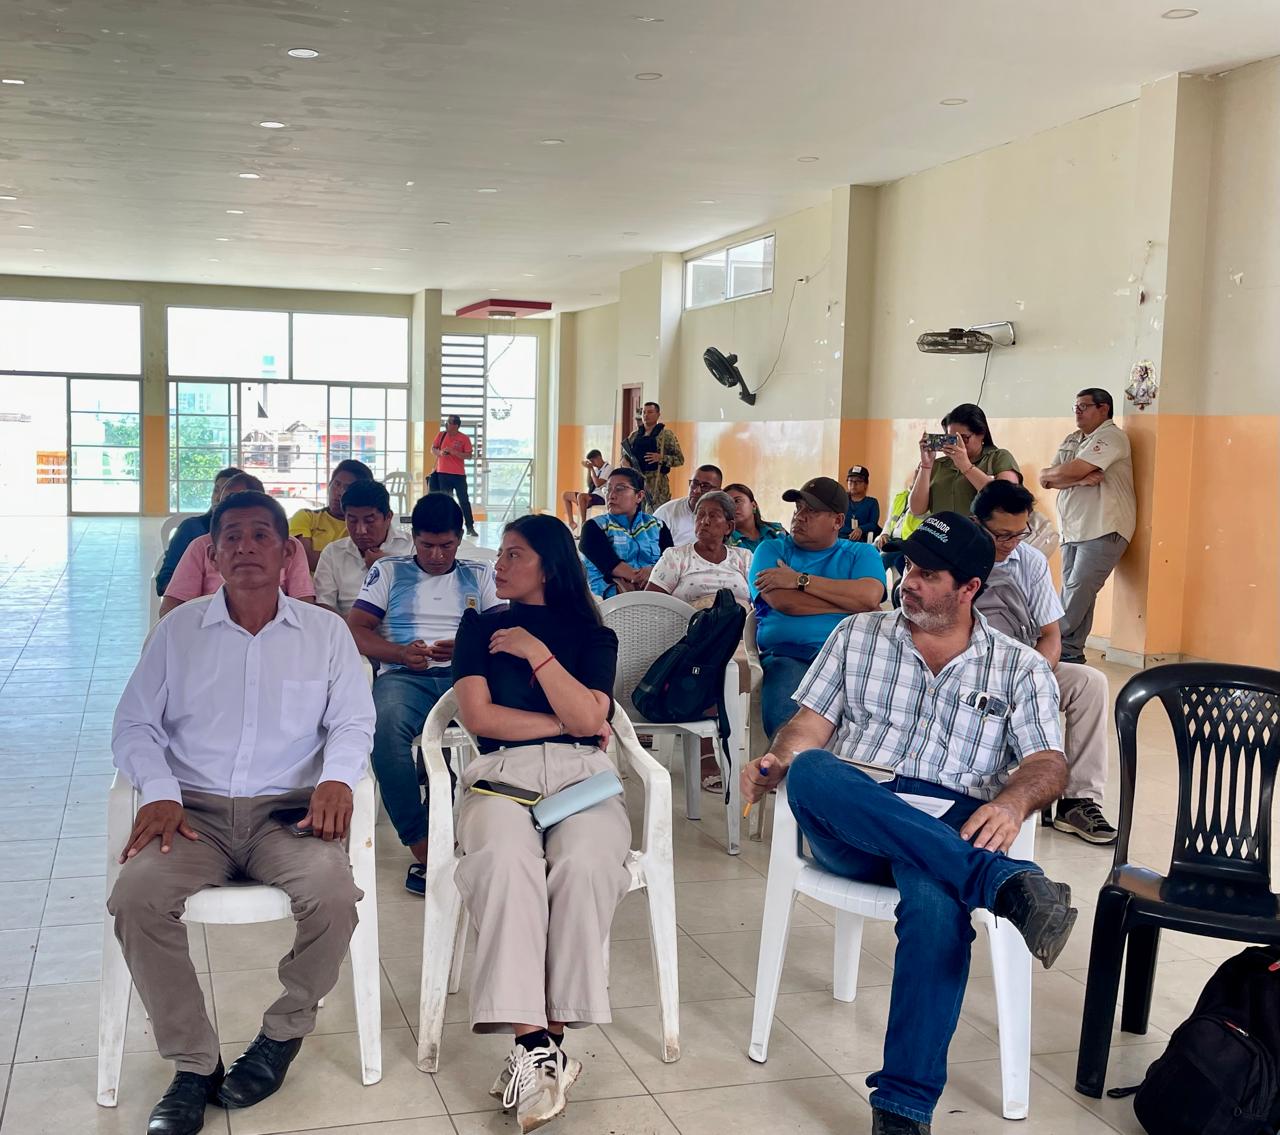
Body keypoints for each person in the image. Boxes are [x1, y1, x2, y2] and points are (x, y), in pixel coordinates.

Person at [740, 511, 1077, 1135]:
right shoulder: (857, 634)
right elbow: (808, 727)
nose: (908, 582)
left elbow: (1047, 764)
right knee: (812, 770)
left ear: (969, 587)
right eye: (908, 567)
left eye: (927, 574)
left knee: (935, 907)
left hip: (951, 820)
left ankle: (902, 1109)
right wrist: (777, 759)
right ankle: (1000, 883)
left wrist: (1010, 804)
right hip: (855, 812)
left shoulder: (1019, 666)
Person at [110, 489, 375, 1135]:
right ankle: (193, 1063)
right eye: (232, 536)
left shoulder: (325, 634)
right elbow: (134, 722)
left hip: (287, 813)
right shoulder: (178, 632)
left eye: (262, 536)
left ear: (288, 554)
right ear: (212, 552)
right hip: (191, 812)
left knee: (333, 893)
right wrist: (160, 789)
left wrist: (337, 779)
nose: (246, 547)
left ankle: (283, 1032)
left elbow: (353, 720)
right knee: (137, 897)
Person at [451, 514, 628, 1133]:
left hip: (583, 777)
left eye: (514, 554)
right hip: (501, 772)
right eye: (500, 553)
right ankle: (535, 1046)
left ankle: (547, 1045)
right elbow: (481, 718)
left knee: (585, 862)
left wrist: (537, 653)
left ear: (549, 566)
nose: (499, 565)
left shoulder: (594, 634)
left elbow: (592, 717)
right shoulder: (479, 627)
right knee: (505, 862)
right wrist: (565, 724)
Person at [347, 493, 499, 893]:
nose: (436, 555)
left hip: (466, 676)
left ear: (459, 539)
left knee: (502, 731)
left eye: (446, 546)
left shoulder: (479, 573)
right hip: (404, 677)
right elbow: (356, 628)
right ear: (413, 537)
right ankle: (420, 841)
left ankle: (491, 835)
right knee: (383, 730)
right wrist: (399, 653)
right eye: (427, 545)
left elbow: (503, 631)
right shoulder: (388, 571)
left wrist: (465, 647)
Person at [972, 481, 1117, 844]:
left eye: (1020, 533)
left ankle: (1078, 801)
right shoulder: (956, 558)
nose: (1012, 543)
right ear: (977, 523)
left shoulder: (1030, 560)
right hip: (969, 670)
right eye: (1002, 535)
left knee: (1090, 683)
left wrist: (1033, 676)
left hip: (1024, 666)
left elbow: (1051, 635)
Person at [750, 477, 886, 739]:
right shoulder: (771, 550)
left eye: (811, 511)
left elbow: (869, 596)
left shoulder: (861, 553)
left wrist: (799, 580)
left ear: (837, 521)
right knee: (790, 734)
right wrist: (849, 604)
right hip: (790, 655)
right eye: (798, 508)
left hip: (854, 659)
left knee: (877, 730)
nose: (800, 516)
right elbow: (785, 602)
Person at [1038, 388, 1136, 665]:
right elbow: (1046, 479)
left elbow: (1071, 470)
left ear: (1103, 409)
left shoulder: (1111, 437)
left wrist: (1068, 475)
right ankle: (1070, 653)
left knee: (1078, 589)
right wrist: (1077, 480)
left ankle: (1045, 640)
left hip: (1104, 527)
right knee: (1080, 593)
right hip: (1073, 527)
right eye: (1076, 407)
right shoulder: (1073, 439)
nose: (1078, 412)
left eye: (1084, 406)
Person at [160, 473, 315, 617]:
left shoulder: (286, 545)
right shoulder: (201, 546)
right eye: (225, 502)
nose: (245, 548)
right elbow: (171, 610)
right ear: (213, 556)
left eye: (260, 536)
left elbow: (304, 607)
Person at [313, 479, 414, 616]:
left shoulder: (411, 547)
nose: (360, 530)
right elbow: (324, 606)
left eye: (369, 521)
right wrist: (352, 627)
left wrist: (386, 569)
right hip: (346, 626)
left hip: (401, 625)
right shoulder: (332, 553)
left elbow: (421, 600)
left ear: (388, 517)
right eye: (352, 520)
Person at [909, 403, 1020, 520]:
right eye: (952, 439)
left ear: (981, 434)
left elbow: (1007, 500)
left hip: (978, 531)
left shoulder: (998, 458)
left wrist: (966, 466)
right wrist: (926, 466)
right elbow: (917, 510)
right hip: (942, 530)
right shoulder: (938, 465)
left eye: (964, 438)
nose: (958, 444)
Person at [579, 467, 673, 598]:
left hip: (655, 596)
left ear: (639, 496)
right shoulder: (593, 527)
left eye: (620, 488)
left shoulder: (658, 526)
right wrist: (652, 575)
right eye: (608, 489)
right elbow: (612, 565)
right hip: (608, 600)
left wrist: (651, 572)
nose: (611, 495)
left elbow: (671, 563)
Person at [646, 490, 752, 606]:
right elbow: (650, 602)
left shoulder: (744, 558)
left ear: (729, 527)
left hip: (740, 618)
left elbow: (760, 601)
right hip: (689, 618)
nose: (704, 521)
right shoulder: (676, 556)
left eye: (713, 516)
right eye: (700, 515)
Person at [155, 466, 244, 596]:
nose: (218, 498)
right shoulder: (192, 529)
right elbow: (164, 580)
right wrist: (193, 600)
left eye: (227, 494)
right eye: (216, 490)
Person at [289, 459, 375, 572]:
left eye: (347, 488)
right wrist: (354, 560)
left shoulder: (362, 527)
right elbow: (304, 559)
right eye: (336, 484)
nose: (339, 492)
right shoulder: (306, 516)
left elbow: (371, 561)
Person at [621, 401, 684, 509]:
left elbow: (680, 459)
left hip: (657, 487)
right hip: (636, 483)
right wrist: (624, 462)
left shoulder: (666, 435)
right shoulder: (635, 435)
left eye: (650, 412)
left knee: (655, 515)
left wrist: (661, 458)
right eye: (644, 412)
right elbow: (625, 455)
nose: (646, 415)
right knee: (637, 514)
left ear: (658, 414)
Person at [429, 414, 479, 538]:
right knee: (447, 501)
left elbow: (468, 456)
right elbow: (433, 449)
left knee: (464, 501)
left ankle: (470, 527)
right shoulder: (441, 435)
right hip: (443, 473)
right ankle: (448, 527)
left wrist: (454, 452)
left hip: (458, 475)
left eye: (449, 422)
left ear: (456, 425)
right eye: (446, 422)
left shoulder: (464, 438)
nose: (447, 424)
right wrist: (440, 452)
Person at [653, 463, 724, 546]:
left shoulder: (724, 516)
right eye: (694, 483)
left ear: (719, 492)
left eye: (705, 486)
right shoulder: (666, 513)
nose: (696, 491)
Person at [875, 470, 924, 588]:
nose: (917, 475)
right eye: (917, 471)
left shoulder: (927, 499)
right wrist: (884, 534)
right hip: (891, 538)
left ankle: (873, 589)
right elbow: (889, 521)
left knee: (882, 558)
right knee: (869, 551)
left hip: (907, 542)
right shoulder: (900, 497)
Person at [725, 482, 786, 552]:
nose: (732, 507)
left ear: (753, 506)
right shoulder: (725, 542)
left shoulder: (776, 530)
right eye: (727, 504)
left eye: (737, 501)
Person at [561, 449, 612, 530]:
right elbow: (589, 484)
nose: (593, 464)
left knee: (581, 496)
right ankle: (571, 522)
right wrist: (589, 470)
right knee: (565, 495)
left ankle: (583, 524)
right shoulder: (596, 470)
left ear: (599, 458)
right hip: (592, 495)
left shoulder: (608, 468)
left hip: (601, 497)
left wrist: (592, 469)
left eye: (593, 461)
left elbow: (598, 484)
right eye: (591, 462)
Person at [839, 465, 881, 541]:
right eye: (850, 480)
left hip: (860, 540)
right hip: (840, 538)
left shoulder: (872, 502)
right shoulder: (841, 499)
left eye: (858, 481)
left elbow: (873, 524)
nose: (853, 484)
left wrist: (861, 529)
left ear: (866, 484)